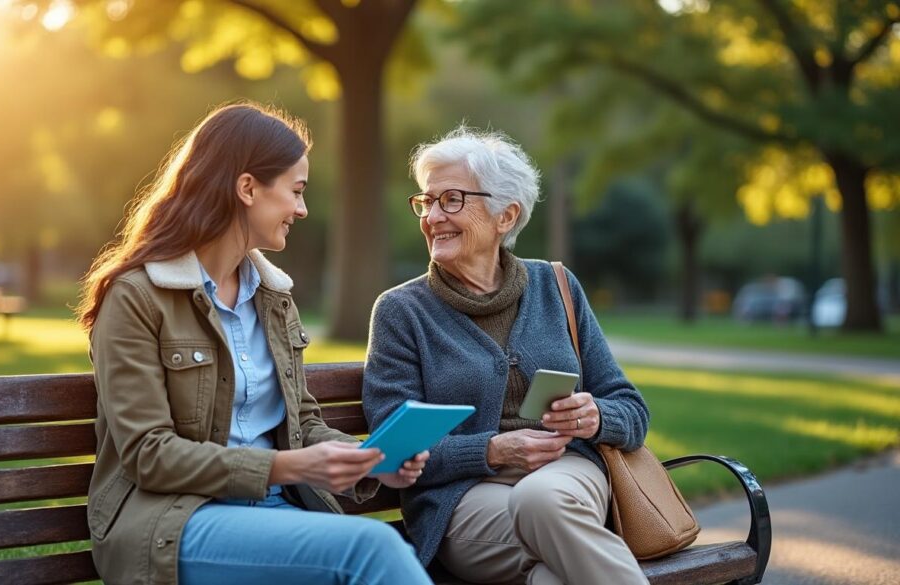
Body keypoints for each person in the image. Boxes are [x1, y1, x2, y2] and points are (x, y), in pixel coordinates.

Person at [77, 102, 432, 585]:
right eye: (296, 191)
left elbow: (302, 422)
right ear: (247, 188)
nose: (303, 209)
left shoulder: (272, 297)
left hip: (271, 510)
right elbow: (149, 455)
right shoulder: (138, 297)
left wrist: (368, 461)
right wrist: (285, 467)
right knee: (372, 548)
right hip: (172, 522)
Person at [362, 126, 651, 585]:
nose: (433, 216)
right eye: (426, 201)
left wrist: (596, 417)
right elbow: (392, 450)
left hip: (567, 475)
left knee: (543, 502)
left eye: (451, 199)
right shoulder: (402, 311)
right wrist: (493, 450)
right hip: (463, 498)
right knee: (553, 572)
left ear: (506, 216)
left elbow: (632, 410)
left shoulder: (556, 286)